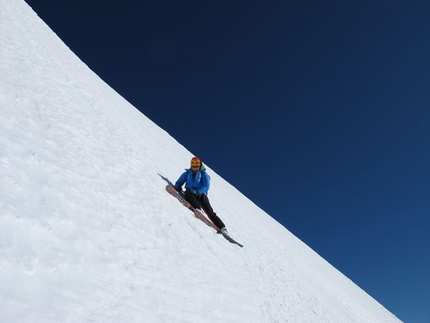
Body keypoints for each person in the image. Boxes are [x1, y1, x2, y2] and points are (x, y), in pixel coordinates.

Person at [174, 157, 228, 234]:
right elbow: (181, 179)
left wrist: (197, 191)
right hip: (190, 193)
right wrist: (177, 186)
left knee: (210, 211)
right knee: (187, 193)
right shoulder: (188, 173)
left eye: (196, 167)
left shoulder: (203, 174)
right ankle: (197, 209)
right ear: (191, 166)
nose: (195, 169)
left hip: (201, 195)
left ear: (199, 166)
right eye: (193, 167)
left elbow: (206, 186)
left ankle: (222, 227)